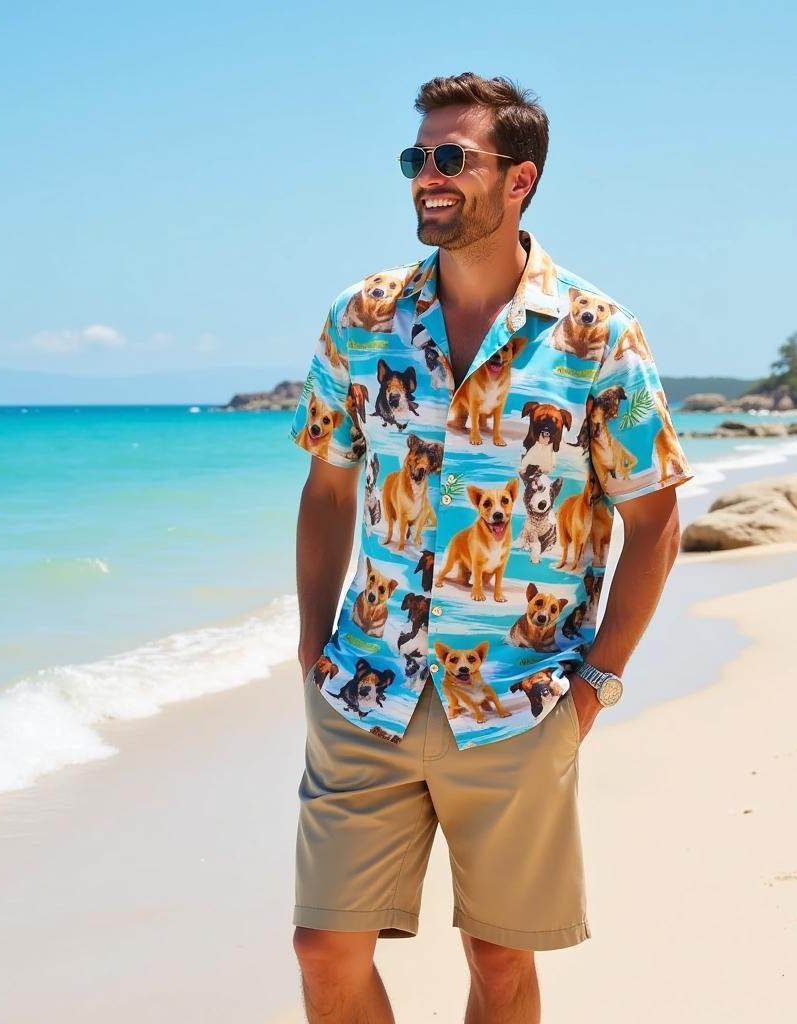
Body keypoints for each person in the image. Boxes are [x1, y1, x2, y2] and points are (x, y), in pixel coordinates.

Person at [289, 71, 694, 1023]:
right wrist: (313, 647)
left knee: (501, 966)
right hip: (365, 688)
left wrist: (597, 683)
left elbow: (655, 521)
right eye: (415, 158)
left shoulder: (597, 335)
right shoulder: (362, 319)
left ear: (520, 180)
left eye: (451, 159)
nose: (427, 176)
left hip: (518, 699)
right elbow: (327, 485)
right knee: (321, 947)